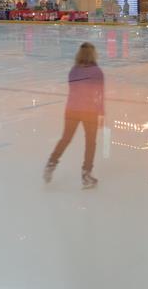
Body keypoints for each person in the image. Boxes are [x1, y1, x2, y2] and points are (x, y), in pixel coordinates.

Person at [44, 42, 105, 189]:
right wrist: (101, 113)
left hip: (71, 109)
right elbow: (100, 95)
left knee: (66, 138)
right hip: (89, 111)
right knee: (90, 142)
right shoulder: (97, 72)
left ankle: (51, 163)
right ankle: (86, 174)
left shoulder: (74, 71)